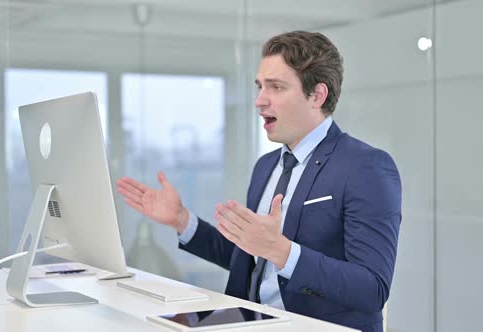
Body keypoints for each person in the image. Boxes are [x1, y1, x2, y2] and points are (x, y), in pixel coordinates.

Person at [116, 30, 401, 332]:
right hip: (249, 321)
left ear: (317, 95)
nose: (259, 101)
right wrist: (182, 220)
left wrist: (282, 251)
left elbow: (372, 289)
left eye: (276, 87)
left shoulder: (365, 166)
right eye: (260, 86)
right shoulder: (267, 166)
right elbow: (249, 262)